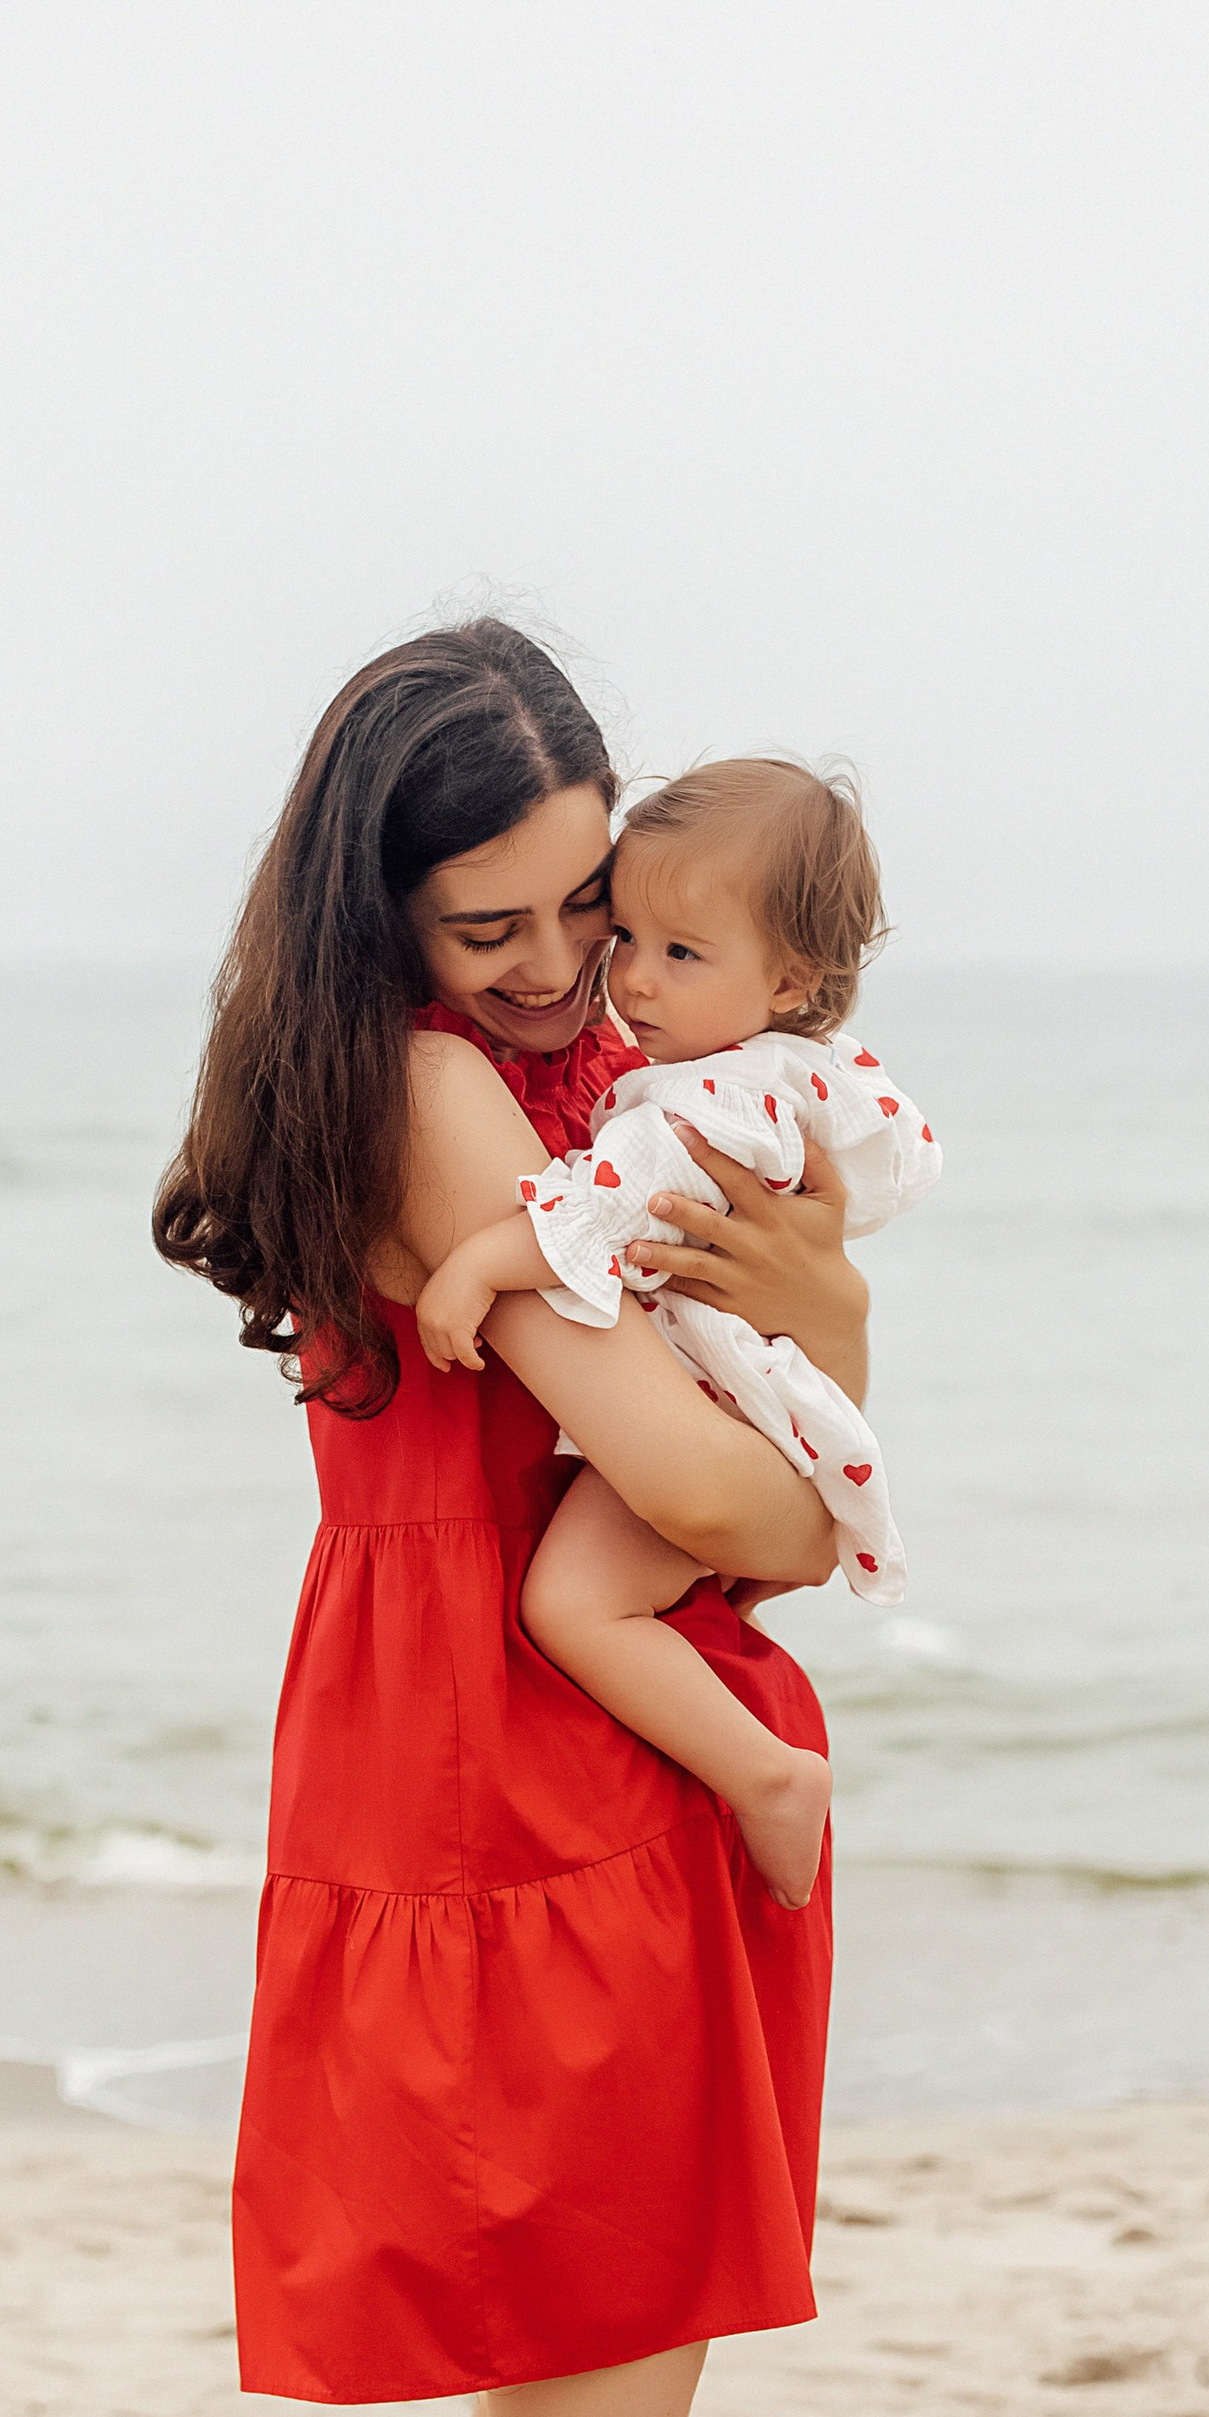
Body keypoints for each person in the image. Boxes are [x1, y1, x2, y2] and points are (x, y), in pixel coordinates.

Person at [154, 622, 869, 2417]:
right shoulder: (449, 1098)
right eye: (492, 923)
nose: (561, 963)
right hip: (528, 1787)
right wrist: (834, 1362)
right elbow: (714, 1492)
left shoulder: (488, 1068)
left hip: (493, 1750)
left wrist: (807, 1348)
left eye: (590, 902)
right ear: (376, 911)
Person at [413, 759, 938, 1910]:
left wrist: (481, 1262)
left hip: (680, 1513)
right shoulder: (768, 1074)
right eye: (631, 937)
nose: (620, 976)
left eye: (673, 950)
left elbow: (599, 1209)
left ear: (788, 976)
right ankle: (761, 1772)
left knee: (574, 1604)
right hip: (632, 1647)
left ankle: (766, 1776)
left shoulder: (701, 1099)